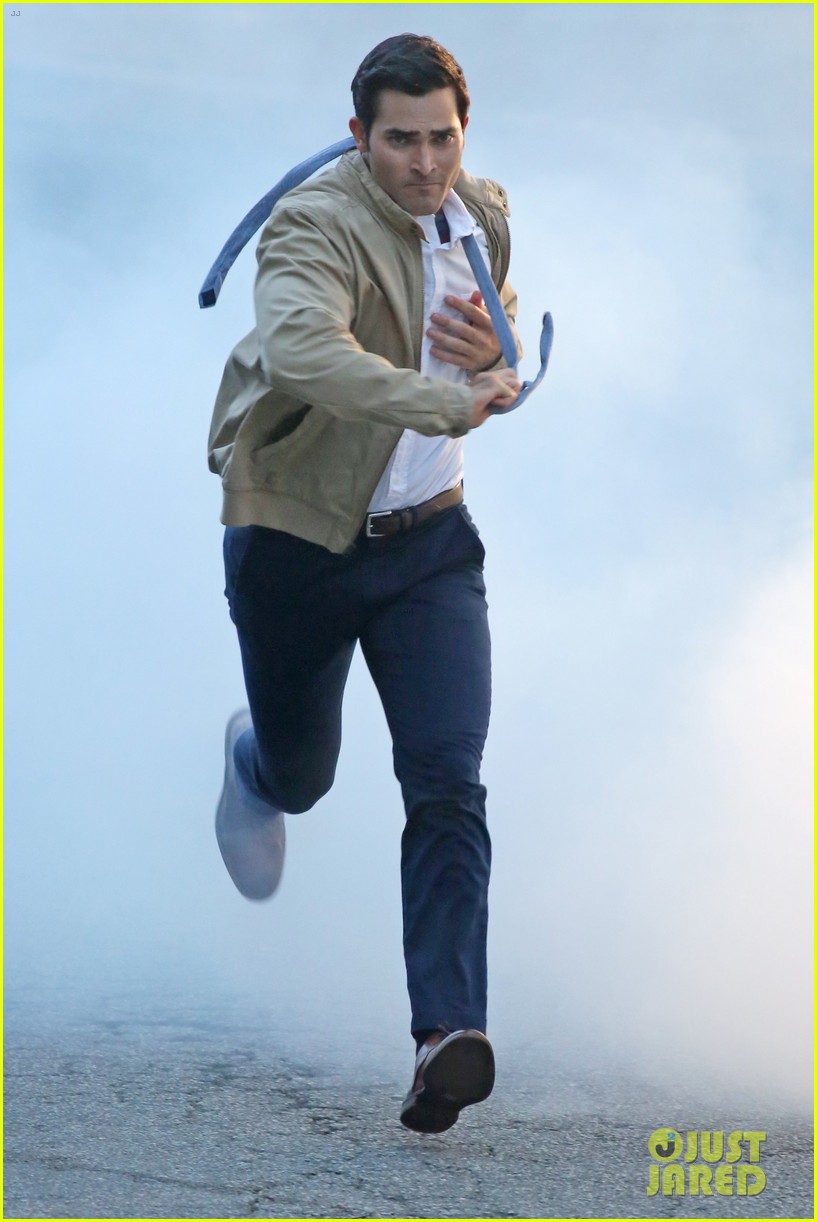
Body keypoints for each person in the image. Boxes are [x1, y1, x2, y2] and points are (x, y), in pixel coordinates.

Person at [207, 33, 524, 1133]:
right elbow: (303, 351)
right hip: (297, 545)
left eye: (442, 138)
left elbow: (497, 344)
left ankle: (445, 1038)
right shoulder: (313, 226)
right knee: (305, 776)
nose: (425, 163)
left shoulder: (482, 214)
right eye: (399, 140)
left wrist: (492, 358)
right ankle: (252, 763)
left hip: (431, 547)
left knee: (447, 783)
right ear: (358, 135)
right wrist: (444, 398)